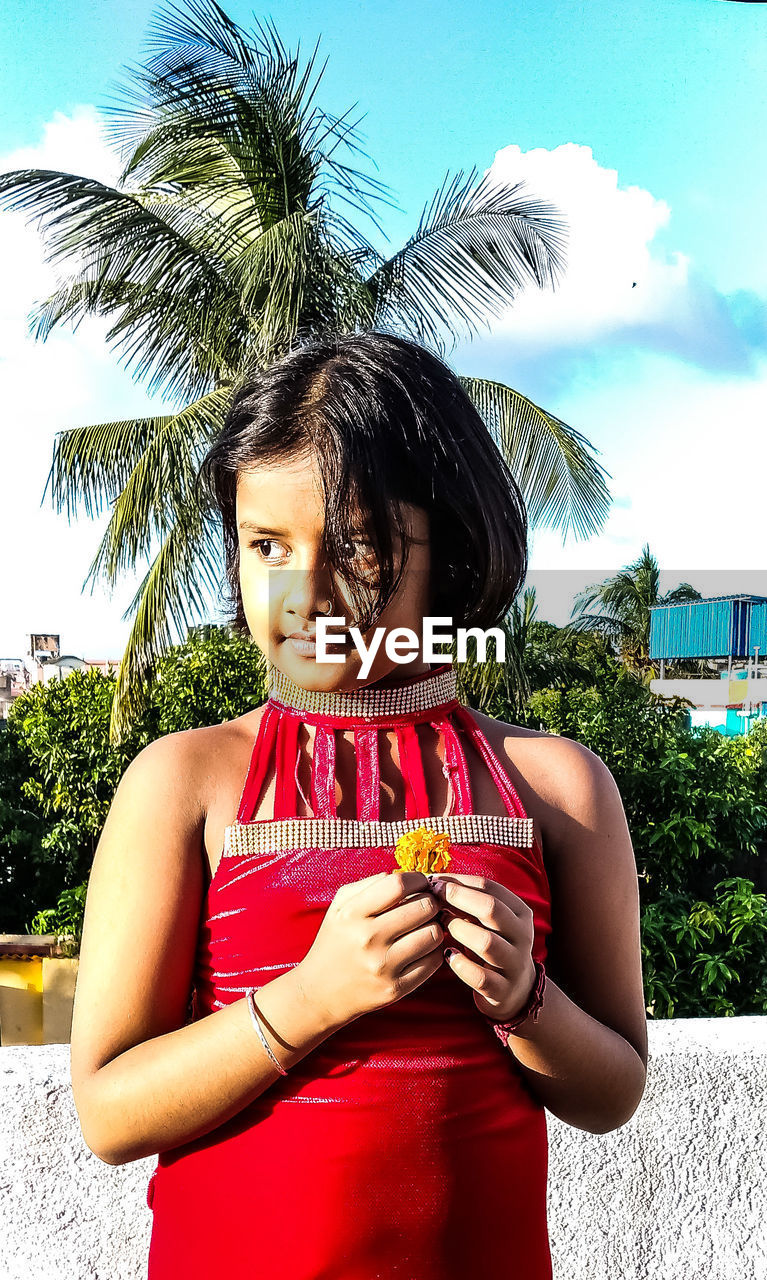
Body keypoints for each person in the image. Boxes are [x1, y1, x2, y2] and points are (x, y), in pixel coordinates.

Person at [69, 329, 648, 1280]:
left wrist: (525, 1000)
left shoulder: (558, 789)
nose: (305, 593)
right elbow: (109, 1112)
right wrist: (312, 996)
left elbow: (611, 1091)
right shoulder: (187, 781)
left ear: (451, 547)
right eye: (266, 545)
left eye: (358, 545)